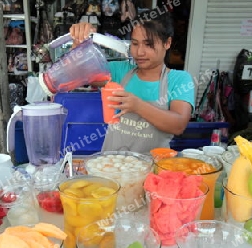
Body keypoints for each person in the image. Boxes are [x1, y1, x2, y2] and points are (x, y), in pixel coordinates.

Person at [69, 12, 194, 153]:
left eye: (148, 44)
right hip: (112, 166)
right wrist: (79, 46)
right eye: (135, 43)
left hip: (152, 171)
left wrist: (137, 106)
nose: (139, 52)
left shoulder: (179, 80)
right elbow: (78, 72)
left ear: (167, 43)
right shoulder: (120, 71)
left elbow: (178, 125)